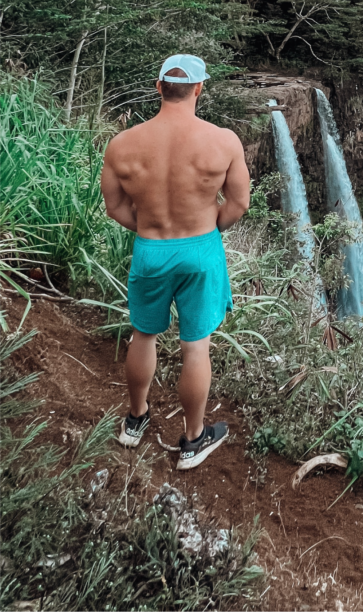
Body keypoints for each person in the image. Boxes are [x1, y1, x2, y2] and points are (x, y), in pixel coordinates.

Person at [100, 54, 251, 469]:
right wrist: (207, 226)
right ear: (199, 89)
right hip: (200, 248)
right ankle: (192, 440)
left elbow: (114, 206)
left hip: (151, 248)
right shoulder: (223, 141)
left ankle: (135, 420)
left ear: (158, 86)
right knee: (195, 346)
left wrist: (150, 232)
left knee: (143, 335)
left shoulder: (122, 144)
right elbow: (239, 203)